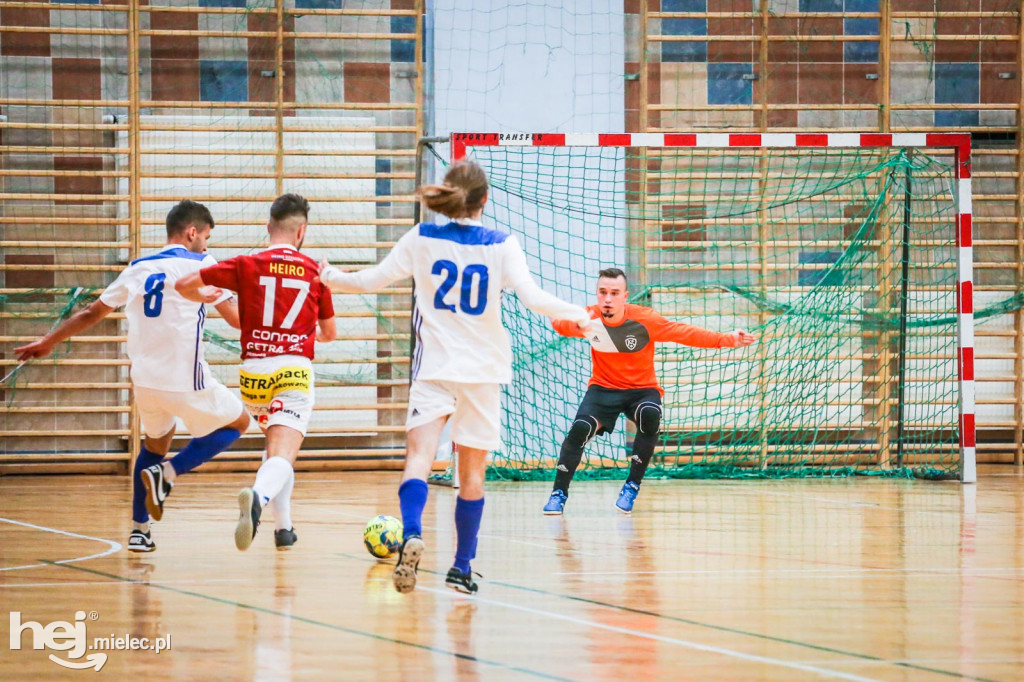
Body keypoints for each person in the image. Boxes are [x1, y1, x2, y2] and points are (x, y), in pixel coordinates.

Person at [319, 160, 591, 595]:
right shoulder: (503, 244)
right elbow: (534, 298)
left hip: (436, 369)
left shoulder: (421, 237)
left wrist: (328, 275)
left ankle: (411, 532)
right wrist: (581, 316)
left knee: (419, 459)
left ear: (447, 197)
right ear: (485, 199)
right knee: (472, 477)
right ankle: (461, 568)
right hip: (482, 373)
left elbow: (371, 281)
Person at [13, 200, 251, 552]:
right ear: (192, 232)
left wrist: (48, 341)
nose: (207, 245)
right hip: (185, 379)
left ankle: (139, 530)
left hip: (145, 381)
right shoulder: (203, 264)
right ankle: (167, 475)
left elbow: (92, 314)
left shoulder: (138, 267)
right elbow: (235, 320)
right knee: (239, 423)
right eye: (206, 237)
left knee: (155, 444)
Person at [175, 193, 337, 552]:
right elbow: (329, 334)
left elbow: (183, 285)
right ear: (302, 232)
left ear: (268, 228)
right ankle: (258, 498)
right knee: (282, 455)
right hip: (292, 369)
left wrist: (208, 296)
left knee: (275, 450)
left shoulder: (246, 264)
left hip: (254, 376)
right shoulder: (314, 271)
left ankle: (285, 529)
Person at [543, 268, 757, 515]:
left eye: (614, 293)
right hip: (604, 388)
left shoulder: (645, 319)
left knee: (650, 415)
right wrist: (572, 323)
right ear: (597, 294)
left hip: (641, 390)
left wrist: (726, 339)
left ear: (625, 296)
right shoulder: (589, 317)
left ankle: (632, 484)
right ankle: (559, 493)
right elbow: (561, 324)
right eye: (603, 292)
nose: (608, 299)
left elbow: (684, 332)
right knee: (580, 428)